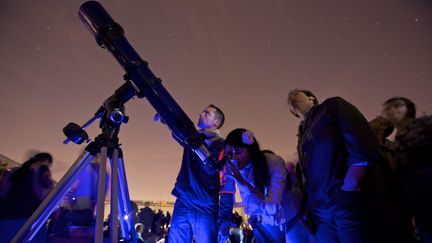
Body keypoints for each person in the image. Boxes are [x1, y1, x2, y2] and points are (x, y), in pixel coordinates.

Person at [287, 89, 390, 243]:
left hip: (344, 200)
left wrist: (351, 182)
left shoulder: (331, 107)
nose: (292, 97)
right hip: (319, 211)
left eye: (297, 94)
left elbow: (361, 137)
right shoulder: (301, 137)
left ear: (311, 98)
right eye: (289, 100)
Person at [225, 128, 309, 242]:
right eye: (230, 154)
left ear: (251, 150)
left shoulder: (275, 163)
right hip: (263, 222)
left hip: (289, 217)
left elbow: (272, 206)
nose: (234, 159)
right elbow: (250, 207)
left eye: (238, 152)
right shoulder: (240, 169)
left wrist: (243, 184)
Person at [167, 104, 234, 243]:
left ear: (216, 122)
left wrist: (225, 220)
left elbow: (227, 186)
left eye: (206, 113)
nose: (200, 114)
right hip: (183, 202)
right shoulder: (191, 139)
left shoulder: (223, 147)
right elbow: (177, 133)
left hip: (204, 208)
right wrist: (165, 117)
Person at [380, 97, 432, 242]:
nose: (391, 111)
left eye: (397, 106)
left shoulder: (426, 123)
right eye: (387, 108)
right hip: (418, 200)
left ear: (409, 108)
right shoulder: (396, 141)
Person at [0, 152, 54, 242]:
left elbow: (2, 191)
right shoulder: (42, 169)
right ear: (47, 161)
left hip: (7, 217)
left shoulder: (14, 170)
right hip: (29, 218)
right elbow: (47, 192)